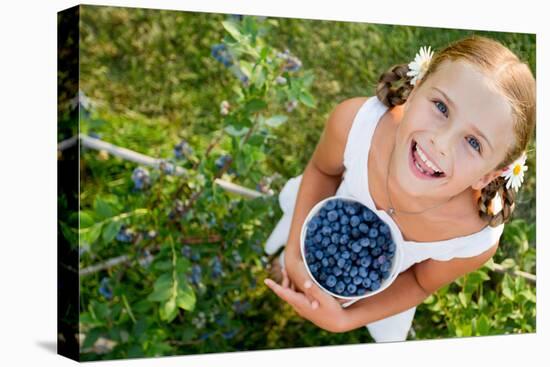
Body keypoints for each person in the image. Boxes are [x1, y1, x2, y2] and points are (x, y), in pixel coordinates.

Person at [262, 35, 535, 342]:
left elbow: (419, 282)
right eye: (442, 107)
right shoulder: (355, 125)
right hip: (323, 223)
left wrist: (345, 318)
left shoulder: (472, 238)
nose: (440, 143)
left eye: (473, 142)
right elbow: (322, 171)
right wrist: (298, 253)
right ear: (415, 91)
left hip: (383, 289)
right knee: (290, 261)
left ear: (489, 175)